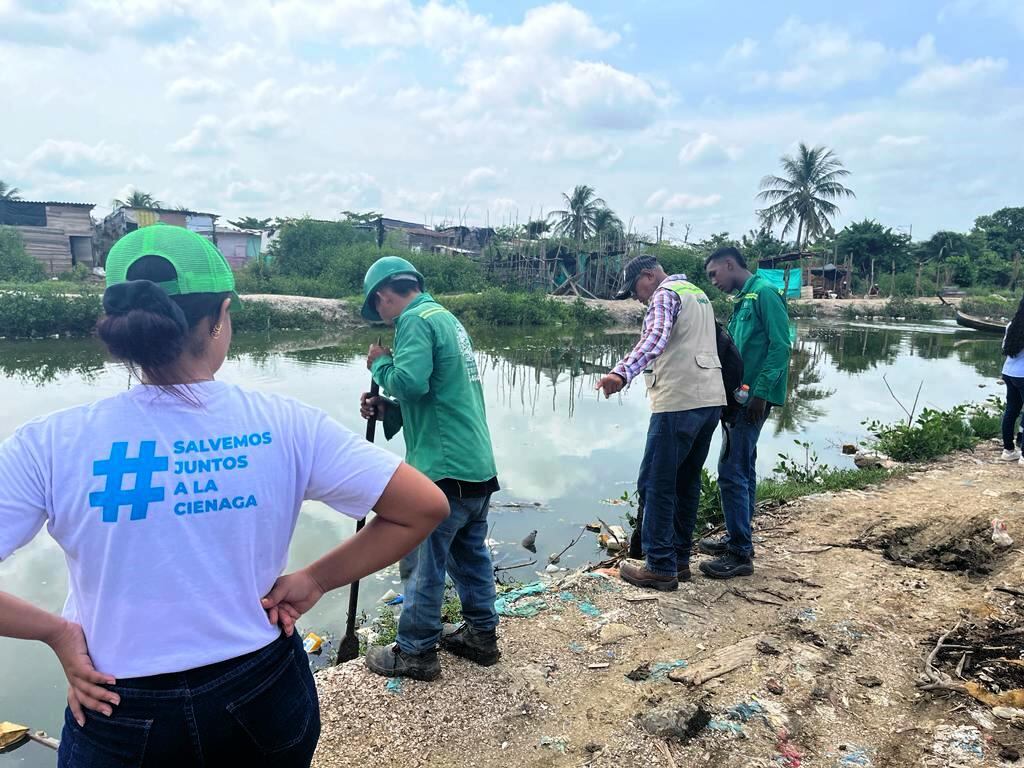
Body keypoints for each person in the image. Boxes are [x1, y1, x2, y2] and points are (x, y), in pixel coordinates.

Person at [0, 225, 448, 767]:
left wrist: (56, 633)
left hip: (117, 700)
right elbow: (422, 507)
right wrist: (315, 580)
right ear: (220, 318)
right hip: (261, 689)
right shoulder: (285, 423)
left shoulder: (48, 442)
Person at [359, 256, 501, 681]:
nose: (382, 319)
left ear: (385, 295)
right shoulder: (446, 319)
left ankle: (416, 652)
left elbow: (412, 382)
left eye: (378, 309)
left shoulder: (414, 320)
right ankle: (481, 636)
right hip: (474, 463)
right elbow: (434, 399)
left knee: (422, 561)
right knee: (469, 555)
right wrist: (388, 410)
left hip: (442, 470)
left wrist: (379, 365)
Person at [595, 255, 725, 591]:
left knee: (656, 482)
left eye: (636, 288)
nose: (638, 297)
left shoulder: (665, 294)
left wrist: (620, 373)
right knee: (686, 481)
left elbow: (654, 339)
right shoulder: (697, 292)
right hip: (710, 399)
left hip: (679, 402)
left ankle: (660, 567)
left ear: (649, 275)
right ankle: (679, 560)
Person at [700, 246, 792, 579]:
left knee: (731, 471)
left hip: (750, 400)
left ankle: (740, 552)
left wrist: (761, 394)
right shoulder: (744, 299)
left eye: (714, 274)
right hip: (737, 397)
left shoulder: (765, 294)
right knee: (743, 467)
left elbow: (781, 346)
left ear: (729, 264)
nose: (713, 281)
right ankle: (738, 538)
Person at [999, 295, 1024, 462]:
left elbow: (1004, 347)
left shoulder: (1011, 325)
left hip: (1009, 373)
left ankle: (1008, 450)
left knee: (1011, 410)